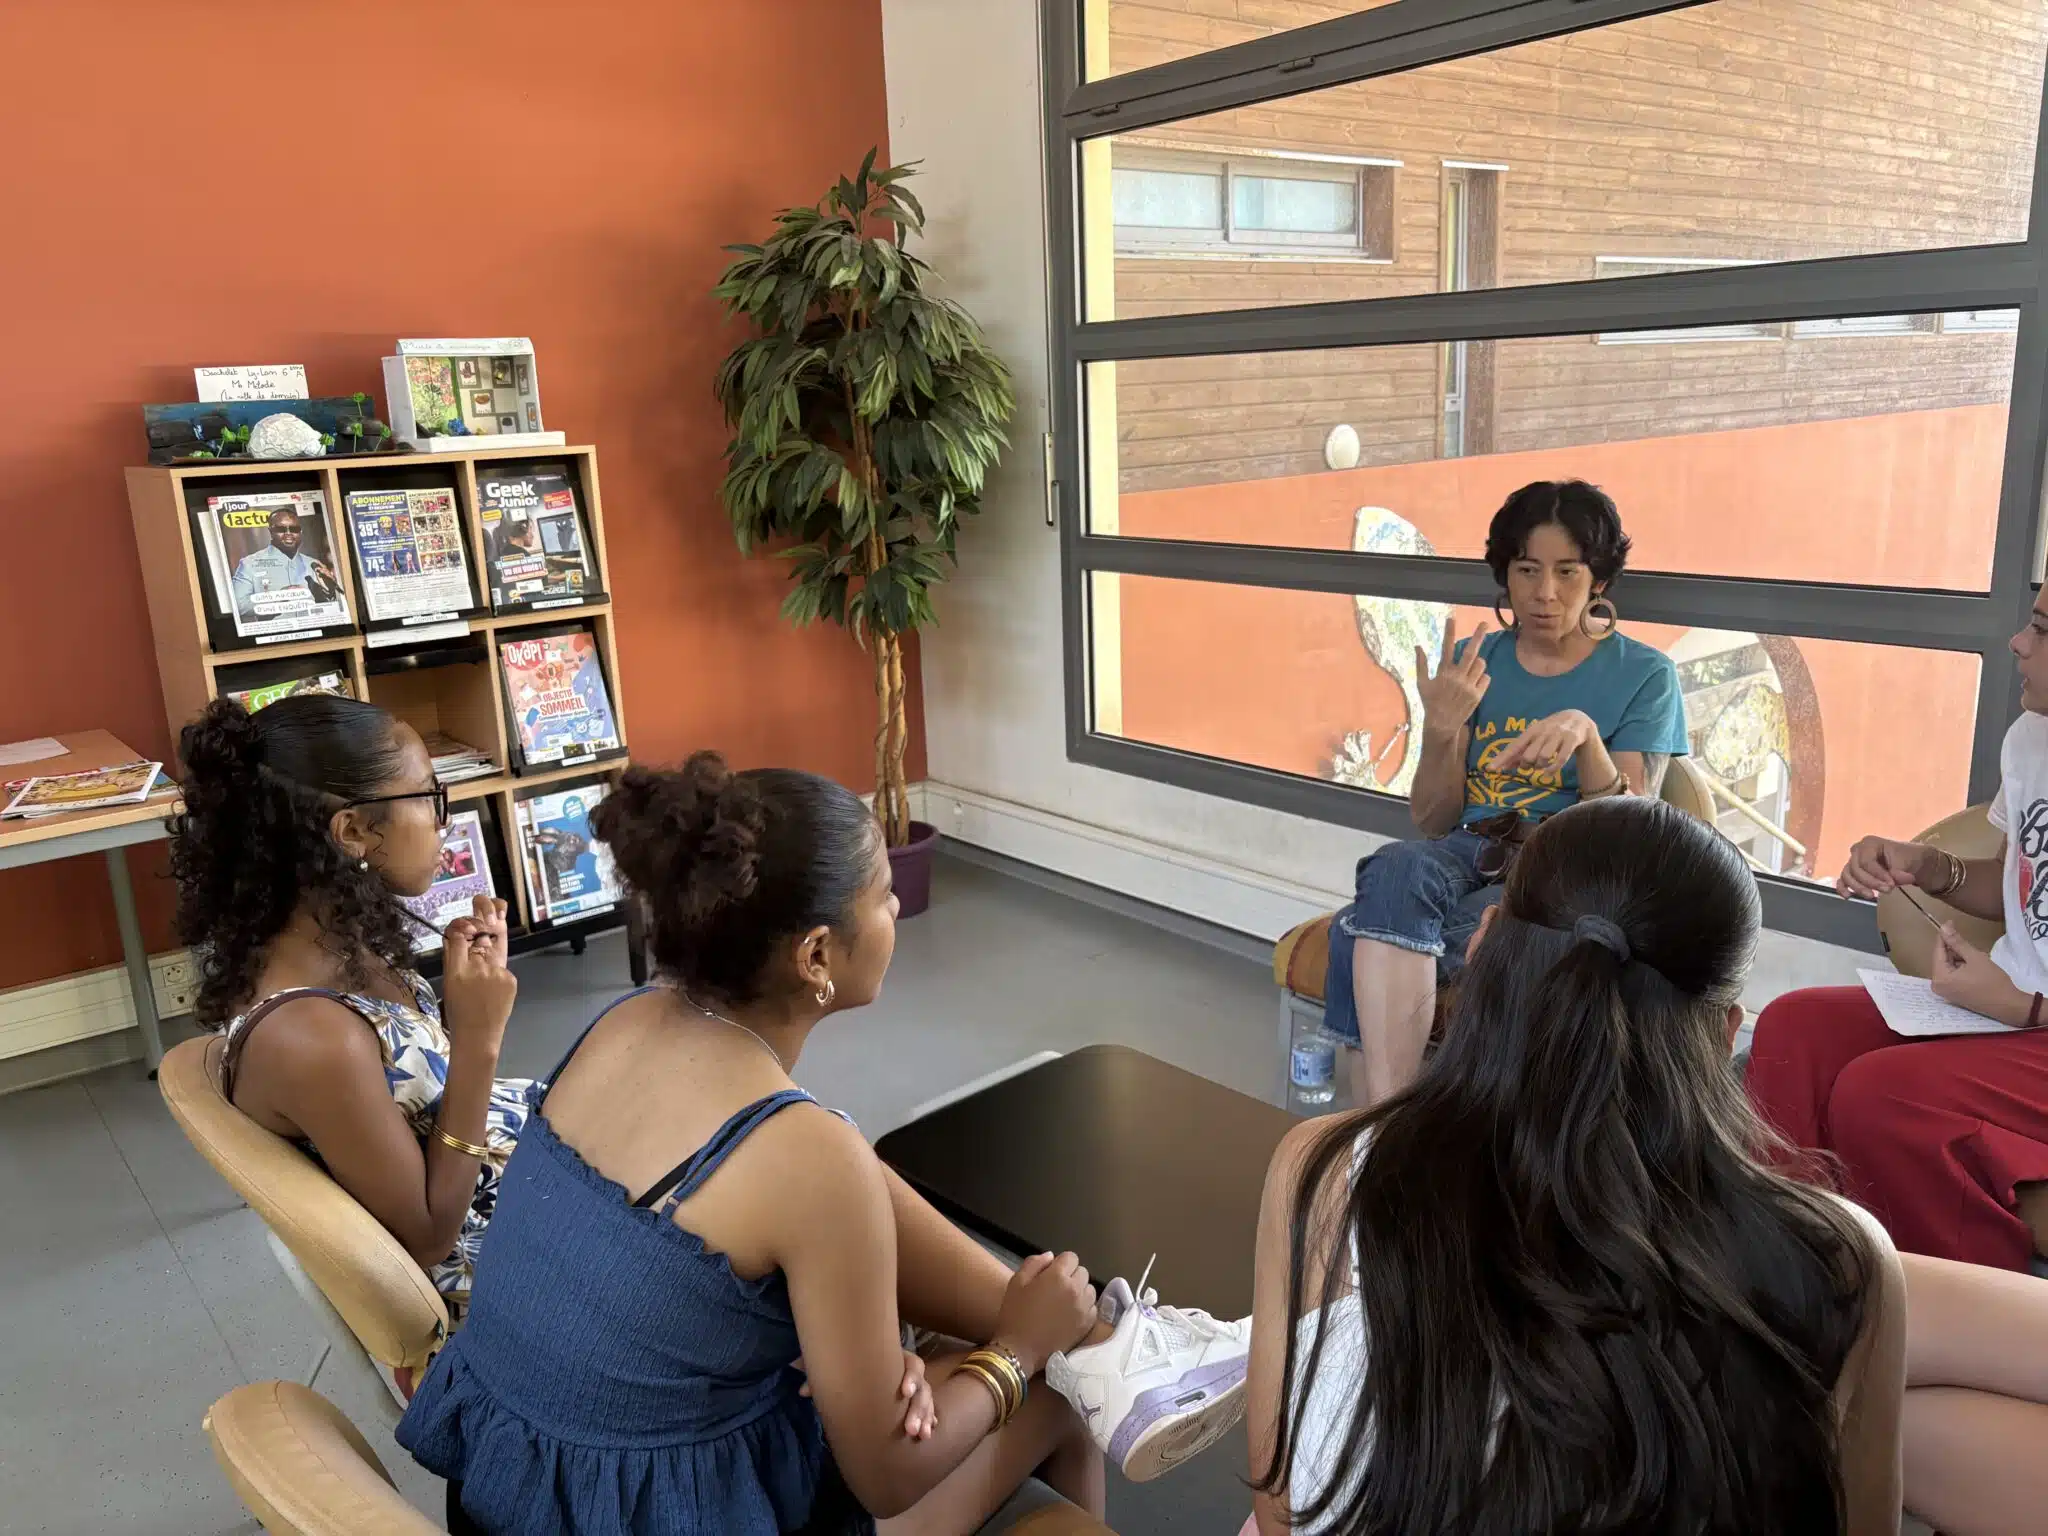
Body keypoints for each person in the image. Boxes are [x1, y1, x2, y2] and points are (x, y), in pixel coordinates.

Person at [398, 754, 1251, 1536]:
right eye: (882, 895)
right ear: (816, 955)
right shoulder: (804, 1156)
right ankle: (1096, 1357)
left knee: (874, 1221)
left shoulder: (622, 1022)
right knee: (1052, 1392)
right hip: (662, 1515)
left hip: (516, 1495)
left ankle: (1104, 1346)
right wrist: (1020, 1349)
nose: (897, 908)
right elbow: (888, 1477)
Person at [1253, 797, 1909, 1534]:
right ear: (1727, 1032)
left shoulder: (1323, 1174)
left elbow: (1279, 1512)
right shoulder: (1843, 1259)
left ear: (1483, 946)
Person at [1324, 480, 1689, 1106]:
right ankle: (1392, 1116)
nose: (1545, 593)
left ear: (1598, 580)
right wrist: (1440, 730)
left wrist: (1586, 737)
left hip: (1562, 867)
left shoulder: (1645, 675)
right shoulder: (1476, 663)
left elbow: (1630, 833)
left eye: (1567, 572)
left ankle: (1378, 1122)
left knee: (1355, 931)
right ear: (1506, 576)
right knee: (1395, 865)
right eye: (1527, 570)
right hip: (1467, 850)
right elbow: (1432, 820)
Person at [169, 694, 523, 1315]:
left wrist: (461, 1005)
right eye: (430, 797)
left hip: (508, 1179)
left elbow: (410, 1094)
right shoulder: (312, 1038)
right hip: (498, 1272)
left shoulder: (332, 941)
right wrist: (476, 1040)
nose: (443, 821)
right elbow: (428, 1238)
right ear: (352, 830)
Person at [1746, 588, 2048, 1272]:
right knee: (1793, 1028)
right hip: (2010, 1009)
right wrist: (1931, 868)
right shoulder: (2032, 737)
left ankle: (1964, 1313)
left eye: (2040, 629)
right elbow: (2019, 887)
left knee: (1883, 1095)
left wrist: (2024, 1006)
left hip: (2027, 1016)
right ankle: (1789, 1271)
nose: (2017, 643)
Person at [230, 505, 339, 619]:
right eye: (281, 529)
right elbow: (238, 606)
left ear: (300, 532)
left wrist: (332, 592)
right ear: (271, 531)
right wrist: (279, 598)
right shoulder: (249, 564)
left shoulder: (315, 565)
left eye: (294, 529)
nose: (288, 533)